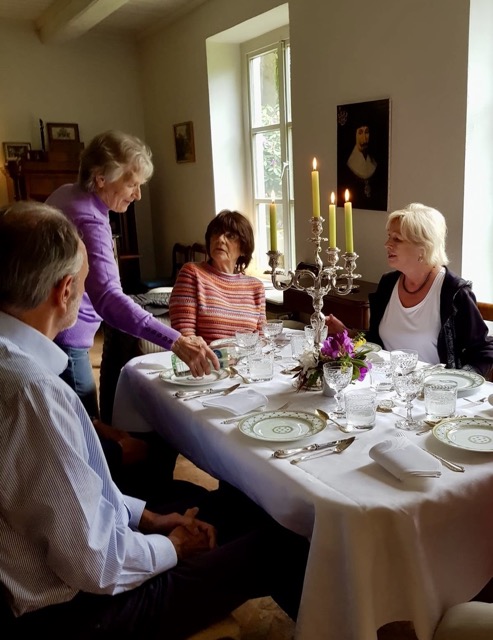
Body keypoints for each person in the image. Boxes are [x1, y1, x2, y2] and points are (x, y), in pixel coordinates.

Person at [0, 201, 309, 638]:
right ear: (64, 290)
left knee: (229, 505)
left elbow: (76, 498)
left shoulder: (17, 369)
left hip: (60, 570)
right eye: (87, 285)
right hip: (75, 614)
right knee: (283, 542)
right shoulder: (33, 392)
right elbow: (99, 563)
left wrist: (149, 519)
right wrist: (173, 546)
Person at [46, 130, 218, 419]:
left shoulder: (66, 192)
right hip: (67, 341)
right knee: (86, 431)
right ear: (101, 178)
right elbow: (109, 299)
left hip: (49, 334)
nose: (137, 195)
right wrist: (175, 341)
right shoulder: (90, 220)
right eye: (132, 184)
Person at [326, 203, 493, 377]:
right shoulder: (388, 284)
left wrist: (459, 380)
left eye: (396, 239)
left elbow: (484, 351)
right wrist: (346, 333)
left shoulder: (454, 292)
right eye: (389, 236)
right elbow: (377, 342)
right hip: (386, 387)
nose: (387, 244)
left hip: (432, 394)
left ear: (423, 247)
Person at [169, 209, 266, 343]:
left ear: (244, 248)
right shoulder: (192, 273)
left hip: (245, 362)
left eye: (230, 236)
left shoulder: (256, 287)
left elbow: (262, 339)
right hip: (206, 361)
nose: (220, 239)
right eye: (216, 233)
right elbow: (185, 337)